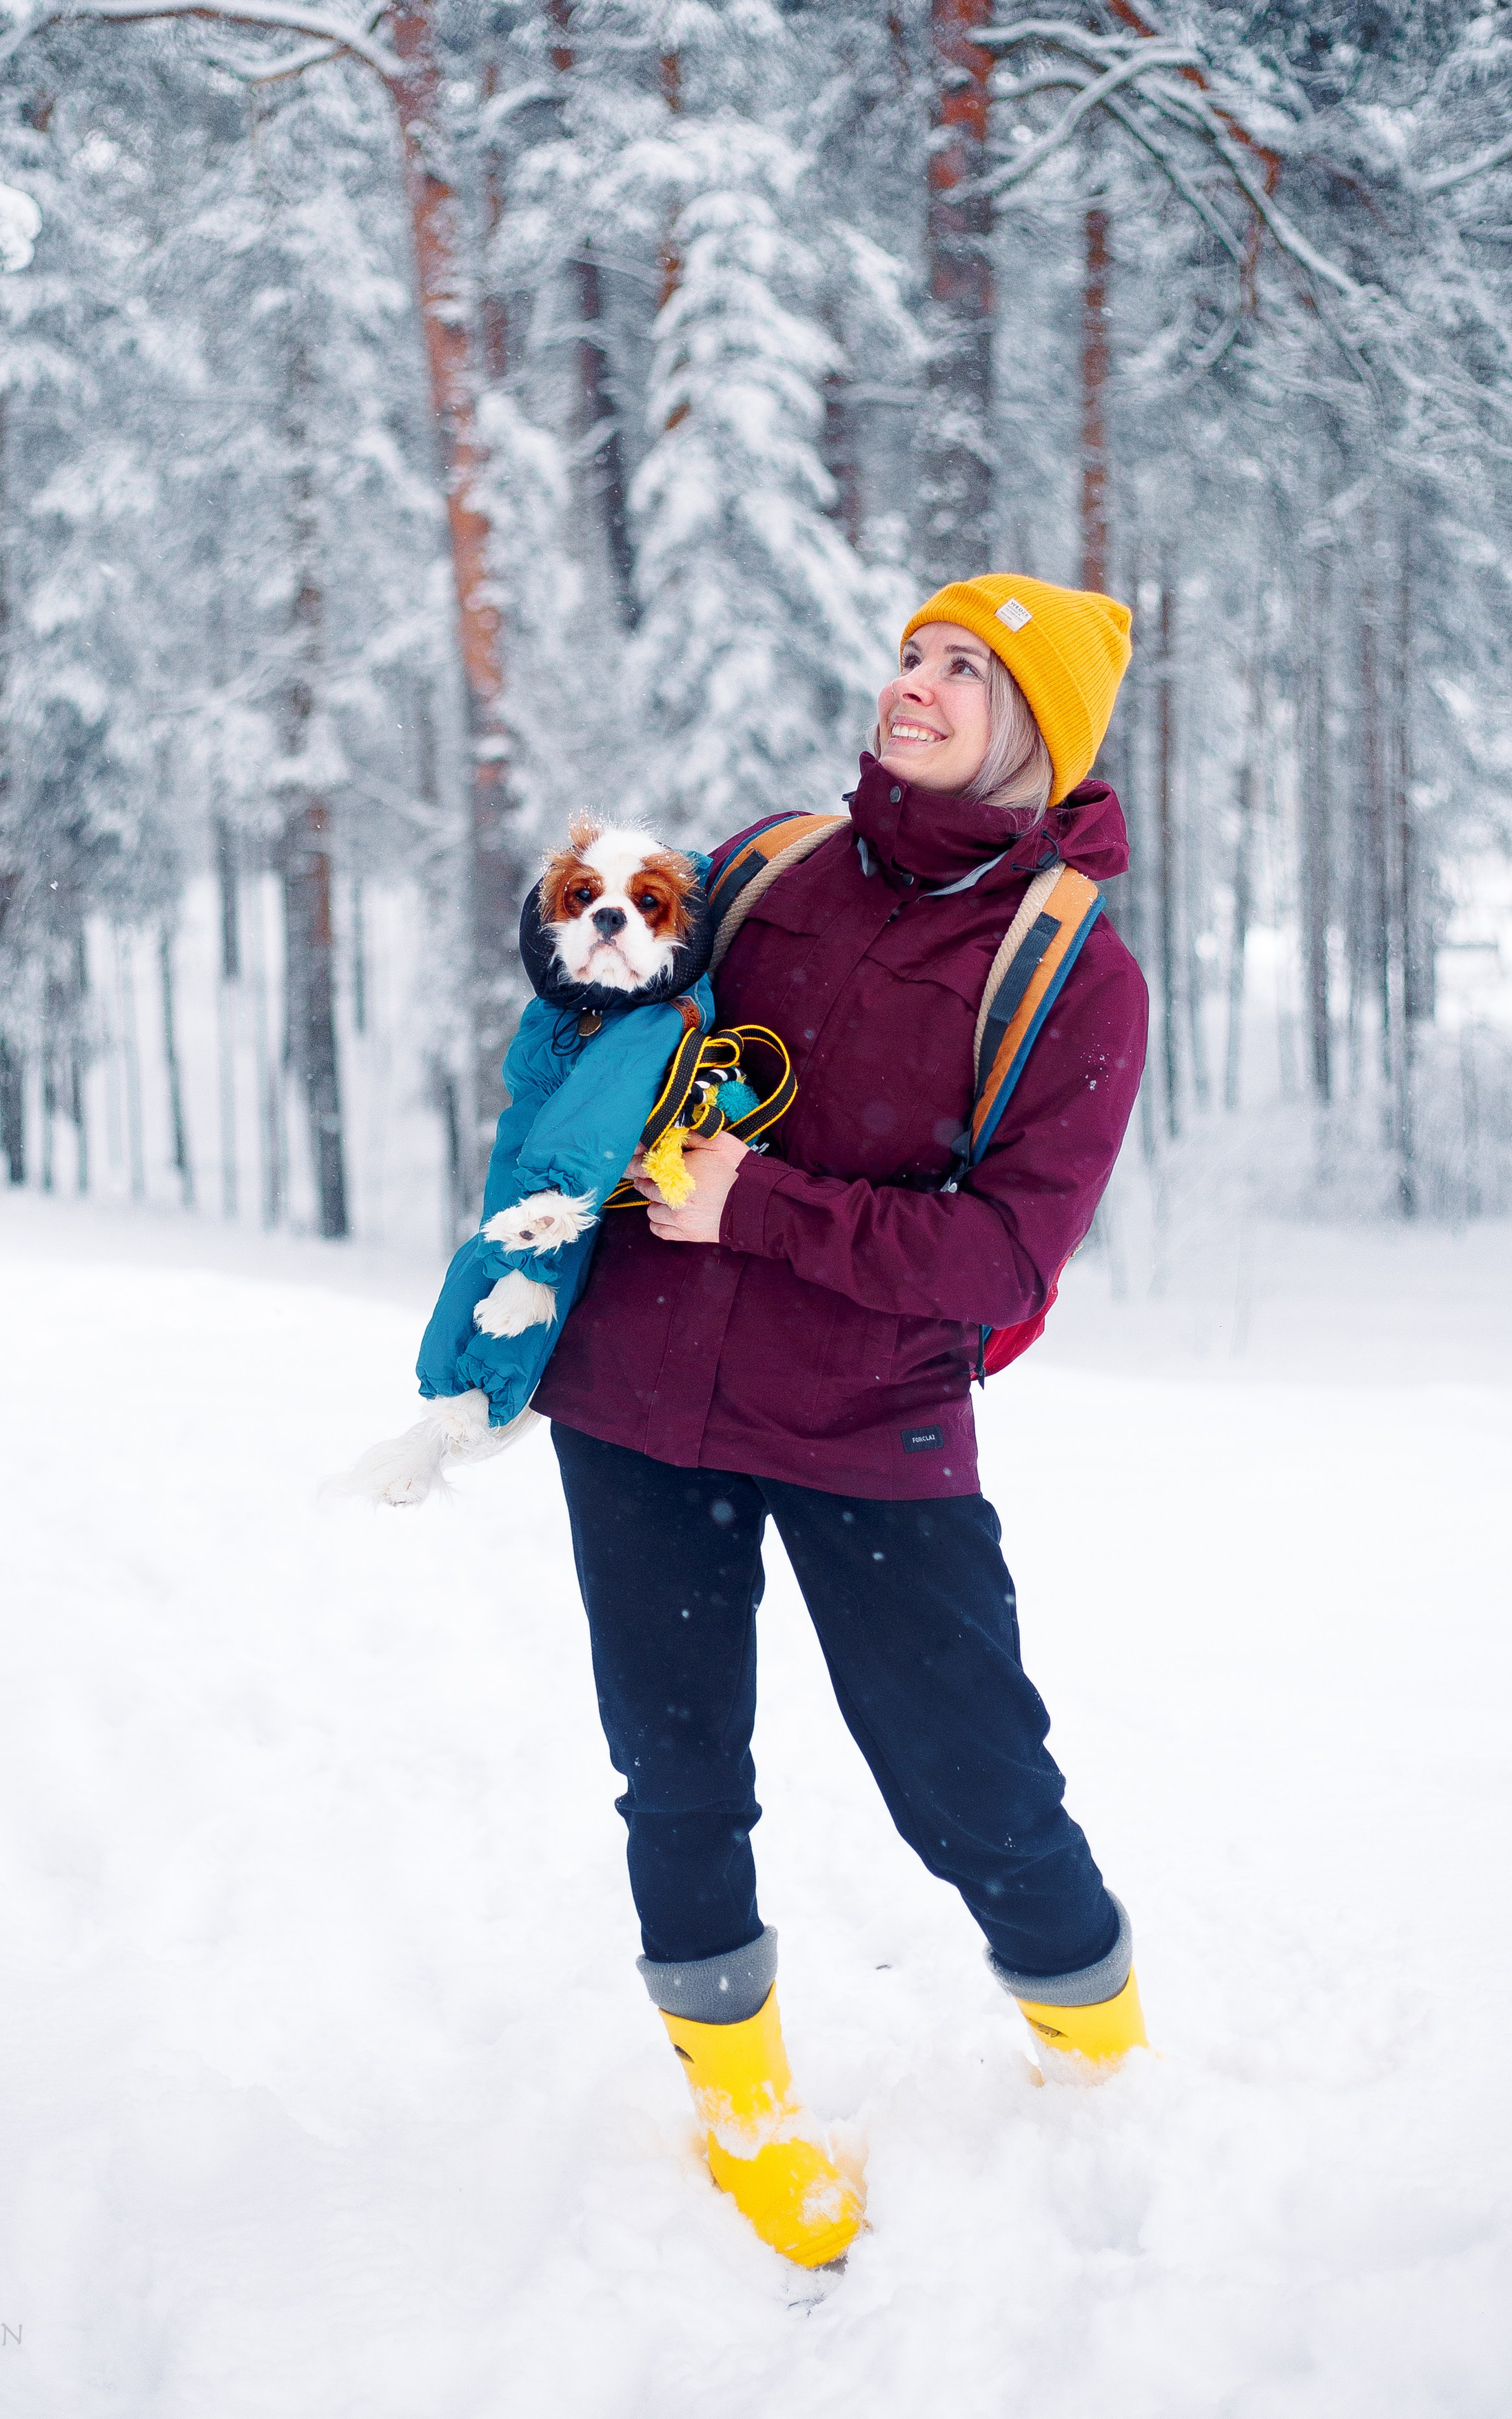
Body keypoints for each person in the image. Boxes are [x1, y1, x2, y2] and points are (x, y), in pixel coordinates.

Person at [531, 574, 1150, 2268]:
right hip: (637, 1401)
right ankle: (740, 2113)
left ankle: (1100, 2051)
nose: (917, 685)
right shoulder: (764, 865)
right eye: (911, 654)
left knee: (968, 1777)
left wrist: (765, 1210)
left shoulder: (1072, 973)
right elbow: (603, 1032)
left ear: (1038, 729)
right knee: (674, 1771)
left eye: (966, 668)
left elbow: (1003, 1250)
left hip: (867, 1422)